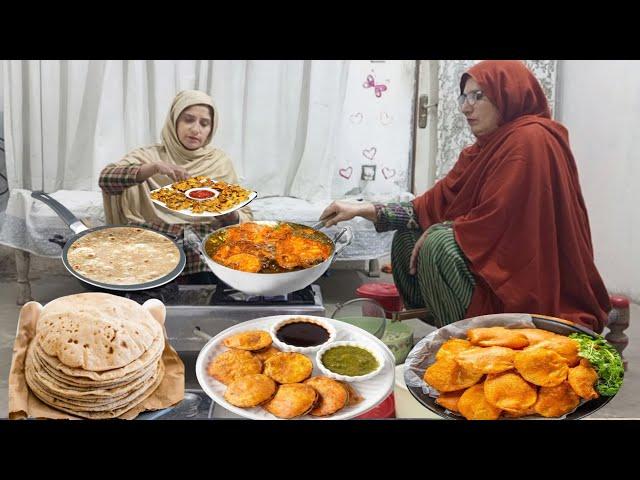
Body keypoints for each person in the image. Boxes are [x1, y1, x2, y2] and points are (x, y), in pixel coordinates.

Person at [320, 60, 610, 333]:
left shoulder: (532, 139)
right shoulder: (481, 150)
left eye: (478, 96)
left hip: (528, 282)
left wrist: (443, 229)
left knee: (438, 244)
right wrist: (359, 209)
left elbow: (502, 223)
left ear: (507, 94)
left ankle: (475, 346)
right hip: (490, 264)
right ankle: (452, 330)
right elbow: (428, 206)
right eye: (464, 98)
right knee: (408, 235)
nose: (466, 108)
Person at [99, 90, 252, 281]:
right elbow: (106, 180)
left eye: (204, 123)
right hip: (152, 242)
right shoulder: (149, 157)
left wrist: (227, 214)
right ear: (174, 121)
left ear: (211, 129)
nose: (196, 129)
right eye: (188, 120)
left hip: (203, 246)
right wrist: (153, 169)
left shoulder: (219, 162)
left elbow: (243, 219)